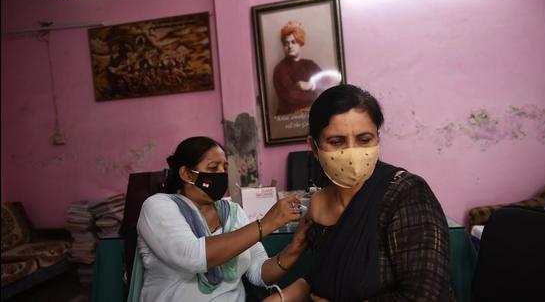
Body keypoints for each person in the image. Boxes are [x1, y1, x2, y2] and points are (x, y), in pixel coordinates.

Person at [265, 84, 456, 301]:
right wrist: (281, 298)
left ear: (378, 139)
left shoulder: (406, 195)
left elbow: (426, 295)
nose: (352, 152)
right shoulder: (318, 206)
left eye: (364, 140)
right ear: (314, 147)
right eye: (336, 142)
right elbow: (330, 277)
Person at [137, 136, 310, 301]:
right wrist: (266, 224)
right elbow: (193, 257)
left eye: (224, 168)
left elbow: (258, 272)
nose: (221, 174)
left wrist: (295, 247)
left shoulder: (233, 213)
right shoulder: (159, 206)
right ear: (187, 175)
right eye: (213, 168)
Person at [273, 21, 322, 115]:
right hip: (288, 118)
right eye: (286, 43)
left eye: (293, 42)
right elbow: (291, 97)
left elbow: (328, 83)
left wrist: (311, 85)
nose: (290, 46)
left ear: (300, 43)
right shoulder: (280, 69)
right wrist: (315, 94)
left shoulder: (309, 64)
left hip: (312, 115)